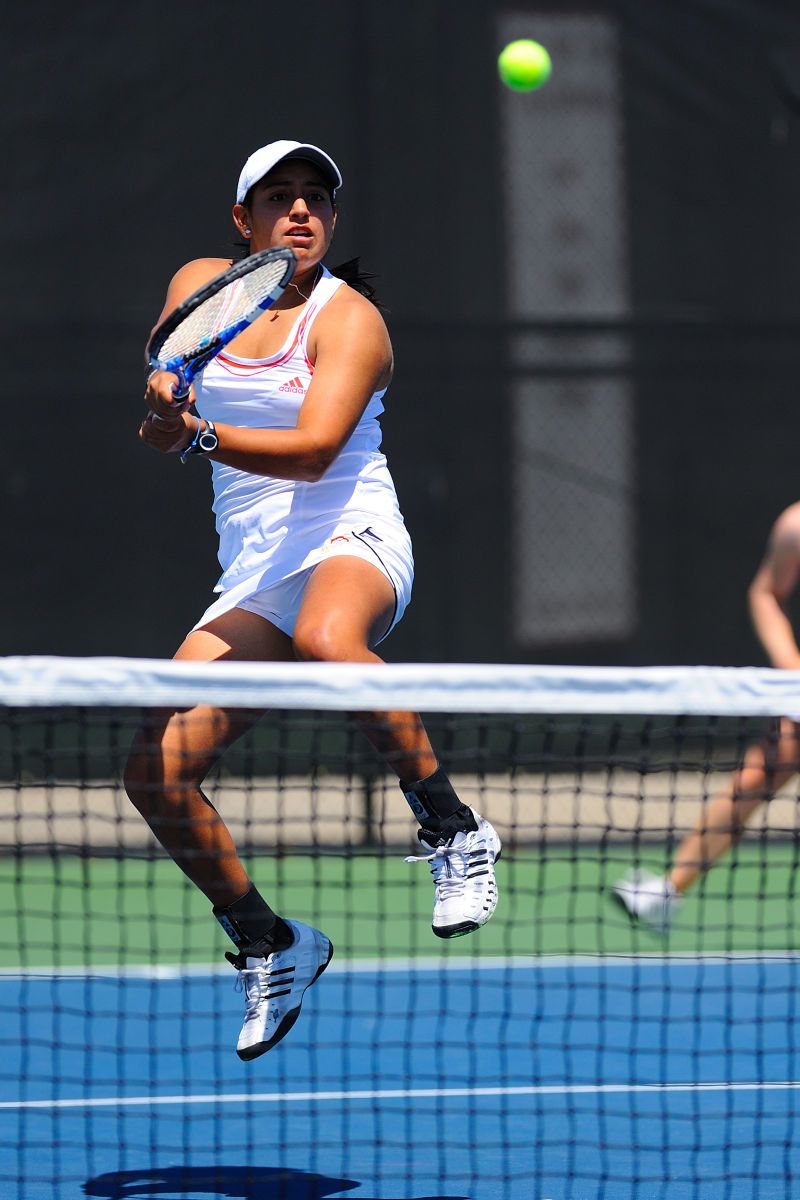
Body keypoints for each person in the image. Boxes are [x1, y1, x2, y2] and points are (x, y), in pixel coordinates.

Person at [123, 140, 501, 1061]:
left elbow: (315, 449)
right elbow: (167, 400)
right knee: (155, 773)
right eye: (280, 198)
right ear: (242, 220)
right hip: (255, 569)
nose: (301, 212)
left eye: (317, 200)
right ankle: (270, 943)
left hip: (351, 533)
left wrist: (195, 433)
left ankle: (453, 828)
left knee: (334, 640)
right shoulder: (202, 283)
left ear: (332, 220)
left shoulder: (352, 320)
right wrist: (165, 410)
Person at [612, 501, 800, 934]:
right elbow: (766, 591)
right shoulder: (794, 526)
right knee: (754, 779)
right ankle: (668, 892)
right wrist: (789, 665)